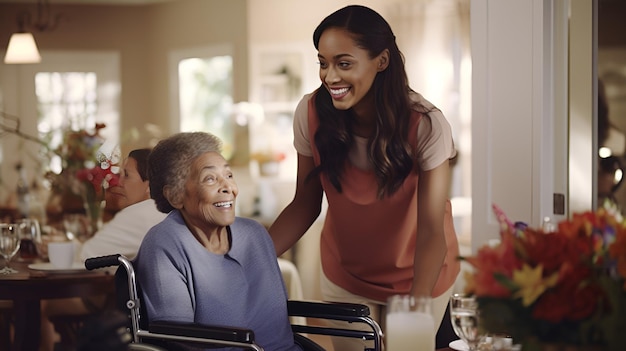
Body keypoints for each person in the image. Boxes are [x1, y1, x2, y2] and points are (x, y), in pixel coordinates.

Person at [268, 5, 460, 350]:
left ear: (381, 61)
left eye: (344, 63)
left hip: (419, 277)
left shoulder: (426, 123)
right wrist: (251, 257)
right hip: (347, 276)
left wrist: (415, 308)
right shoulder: (310, 114)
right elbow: (305, 204)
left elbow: (432, 227)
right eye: (323, 63)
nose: (330, 77)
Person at [134, 132, 302, 351]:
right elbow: (177, 337)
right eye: (210, 179)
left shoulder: (254, 234)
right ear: (175, 196)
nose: (228, 188)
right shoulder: (163, 243)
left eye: (229, 175)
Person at [40, 148, 167, 351]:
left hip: (125, 308)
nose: (119, 182)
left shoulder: (139, 213)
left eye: (127, 175)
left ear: (149, 185)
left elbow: (88, 256)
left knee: (38, 303)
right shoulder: (166, 210)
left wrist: (60, 243)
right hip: (153, 312)